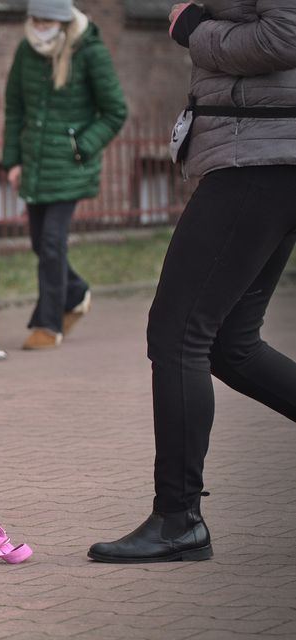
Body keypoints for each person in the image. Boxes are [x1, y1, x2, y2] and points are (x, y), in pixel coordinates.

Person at [88, 0, 296, 564]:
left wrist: (194, 27)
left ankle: (178, 520)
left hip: (260, 159)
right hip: (262, 154)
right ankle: (178, 520)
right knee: (231, 344)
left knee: (178, 333)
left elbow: (284, 37)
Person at [2, 0, 128, 350]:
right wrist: (13, 161)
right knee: (39, 242)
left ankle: (49, 324)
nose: (39, 26)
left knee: (52, 242)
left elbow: (115, 111)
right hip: (35, 163)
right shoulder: (26, 51)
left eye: (47, 20)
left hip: (70, 166)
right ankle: (76, 292)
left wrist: (81, 146)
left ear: (62, 20)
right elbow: (15, 109)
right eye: (35, 19)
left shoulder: (90, 52)